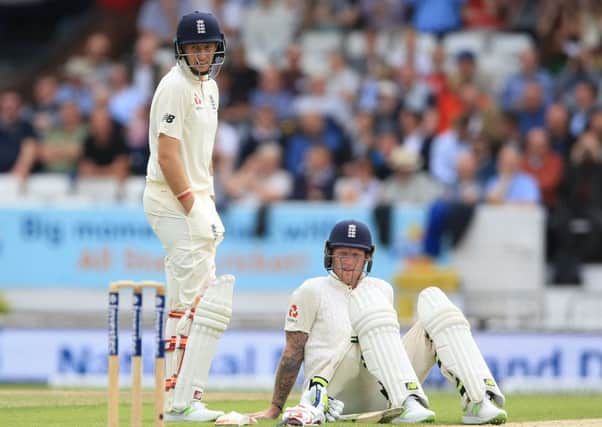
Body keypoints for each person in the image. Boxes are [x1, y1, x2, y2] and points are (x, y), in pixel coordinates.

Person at [250, 219, 508, 425]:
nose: (348, 263)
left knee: (436, 304)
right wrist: (275, 407)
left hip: (382, 392)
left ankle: (477, 400)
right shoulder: (311, 290)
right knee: (371, 314)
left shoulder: (382, 288)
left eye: (355, 255)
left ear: (368, 257)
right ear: (330, 253)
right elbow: (292, 352)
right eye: (342, 254)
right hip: (332, 394)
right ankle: (408, 402)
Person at [142, 11, 233, 422]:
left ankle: (187, 395)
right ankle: (177, 403)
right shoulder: (174, 86)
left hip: (197, 197)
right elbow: (166, 153)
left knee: (203, 299)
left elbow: (201, 151)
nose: (200, 53)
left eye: (206, 46)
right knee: (189, 301)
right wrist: (192, 205)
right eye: (193, 47)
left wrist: (207, 198)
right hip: (170, 199)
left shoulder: (210, 87)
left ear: (217, 48)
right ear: (181, 50)